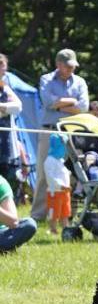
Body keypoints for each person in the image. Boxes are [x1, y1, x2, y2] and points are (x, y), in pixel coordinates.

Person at [31, 49, 89, 220]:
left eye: (73, 66)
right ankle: (38, 215)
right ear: (58, 65)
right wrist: (72, 102)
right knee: (44, 172)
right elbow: (48, 102)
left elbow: (83, 107)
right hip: (50, 130)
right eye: (68, 66)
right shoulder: (46, 79)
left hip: (72, 132)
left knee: (72, 172)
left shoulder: (80, 82)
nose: (72, 69)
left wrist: (59, 104)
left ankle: (66, 214)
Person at [0, 53, 23, 190]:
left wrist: (2, 107)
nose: (4, 70)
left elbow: (18, 107)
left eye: (4, 67)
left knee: (7, 182)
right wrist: (7, 109)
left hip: (6, 145)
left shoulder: (5, 88)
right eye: (2, 66)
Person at [0, 174, 37, 253]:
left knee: (29, 224)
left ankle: (5, 246)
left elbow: (13, 222)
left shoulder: (1, 184)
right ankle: (6, 248)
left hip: (2, 233)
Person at [44, 134, 71, 234]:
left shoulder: (60, 160)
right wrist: (60, 185)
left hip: (65, 191)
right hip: (55, 192)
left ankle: (65, 228)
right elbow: (50, 177)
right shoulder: (49, 161)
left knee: (65, 211)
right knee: (54, 211)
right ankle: (52, 229)